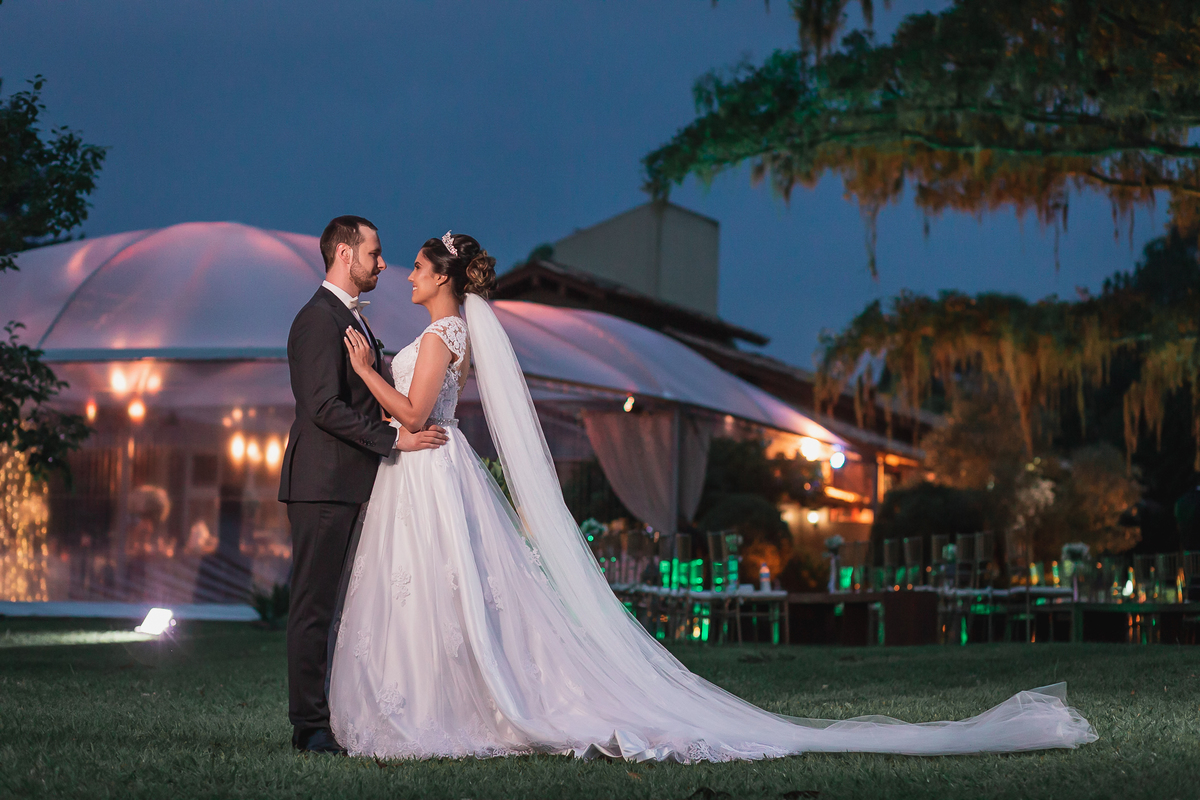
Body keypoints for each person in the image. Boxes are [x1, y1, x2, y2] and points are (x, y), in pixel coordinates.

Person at [328, 230, 1097, 761]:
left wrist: (366, 373)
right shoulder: (443, 335)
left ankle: (438, 707)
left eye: (420, 267)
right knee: (435, 595)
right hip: (423, 471)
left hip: (429, 465)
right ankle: (430, 700)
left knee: (438, 592)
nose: (408, 273)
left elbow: (420, 412)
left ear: (445, 277)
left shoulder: (443, 335)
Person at [278, 216, 447, 754]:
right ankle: (308, 726)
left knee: (350, 607)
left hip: (355, 483)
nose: (382, 263)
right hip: (323, 485)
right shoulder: (315, 320)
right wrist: (392, 440)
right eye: (374, 253)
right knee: (314, 605)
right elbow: (323, 406)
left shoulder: (351, 320)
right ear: (346, 255)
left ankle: (346, 713)